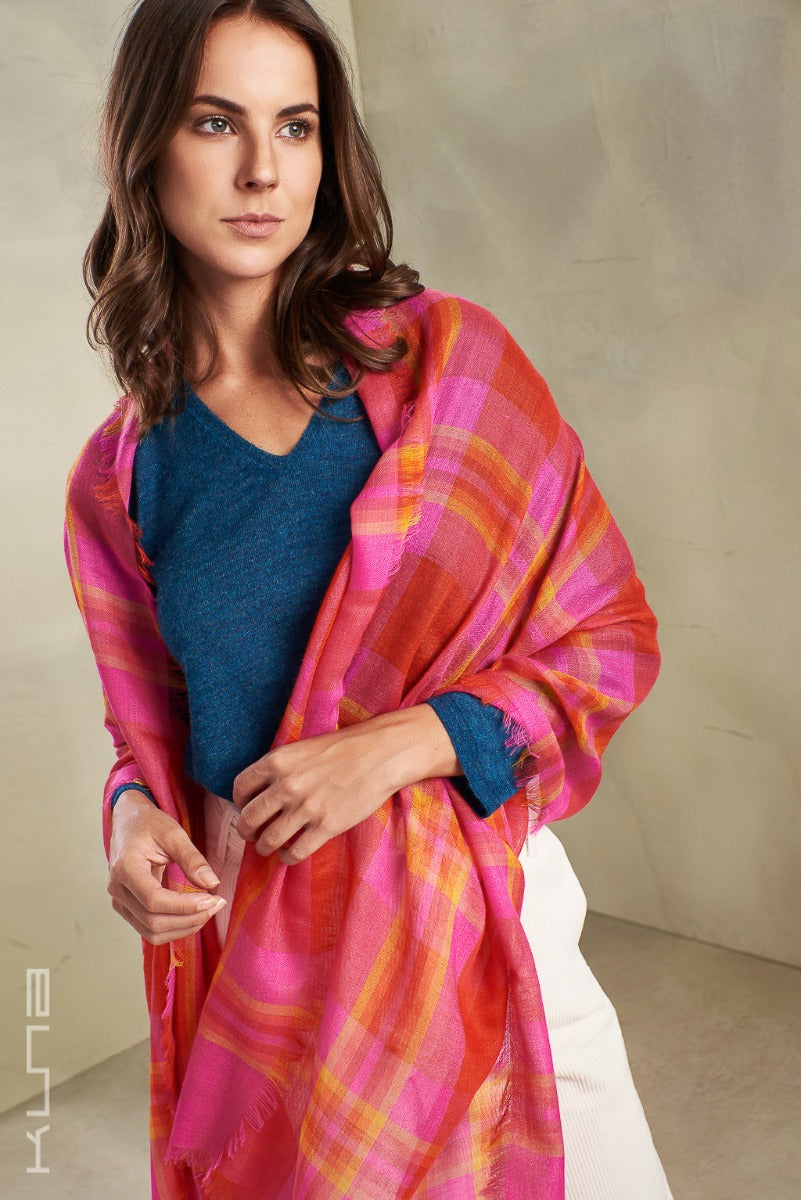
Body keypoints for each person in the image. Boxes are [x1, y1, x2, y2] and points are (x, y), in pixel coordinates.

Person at [63, 2, 674, 1197]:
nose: (263, 170)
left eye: (295, 127)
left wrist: (401, 744)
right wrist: (131, 819)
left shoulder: (445, 368)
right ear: (144, 146)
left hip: (488, 916)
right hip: (272, 956)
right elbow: (150, 735)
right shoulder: (122, 475)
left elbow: (610, 639)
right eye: (215, 123)